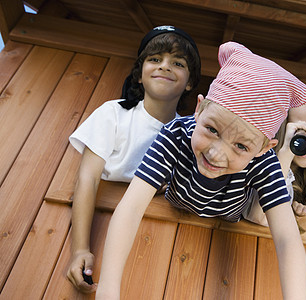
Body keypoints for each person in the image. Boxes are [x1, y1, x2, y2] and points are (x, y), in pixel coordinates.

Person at [95, 41, 306, 300]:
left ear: (265, 148)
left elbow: (287, 240)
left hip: (231, 211)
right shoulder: (175, 134)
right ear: (198, 109)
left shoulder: (265, 162)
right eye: (211, 130)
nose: (217, 153)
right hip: (179, 197)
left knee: (262, 213)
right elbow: (130, 209)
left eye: (241, 146)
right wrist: (107, 291)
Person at [66, 25, 201, 293]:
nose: (165, 66)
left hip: (164, 248)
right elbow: (88, 178)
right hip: (103, 231)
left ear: (189, 82)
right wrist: (81, 248)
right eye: (155, 59)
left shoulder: (191, 134)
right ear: (139, 75)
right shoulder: (113, 114)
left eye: (177, 62)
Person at [243, 92, 306, 226]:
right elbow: (258, 216)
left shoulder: (297, 183)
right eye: (300, 131)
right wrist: (286, 152)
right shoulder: (257, 164)